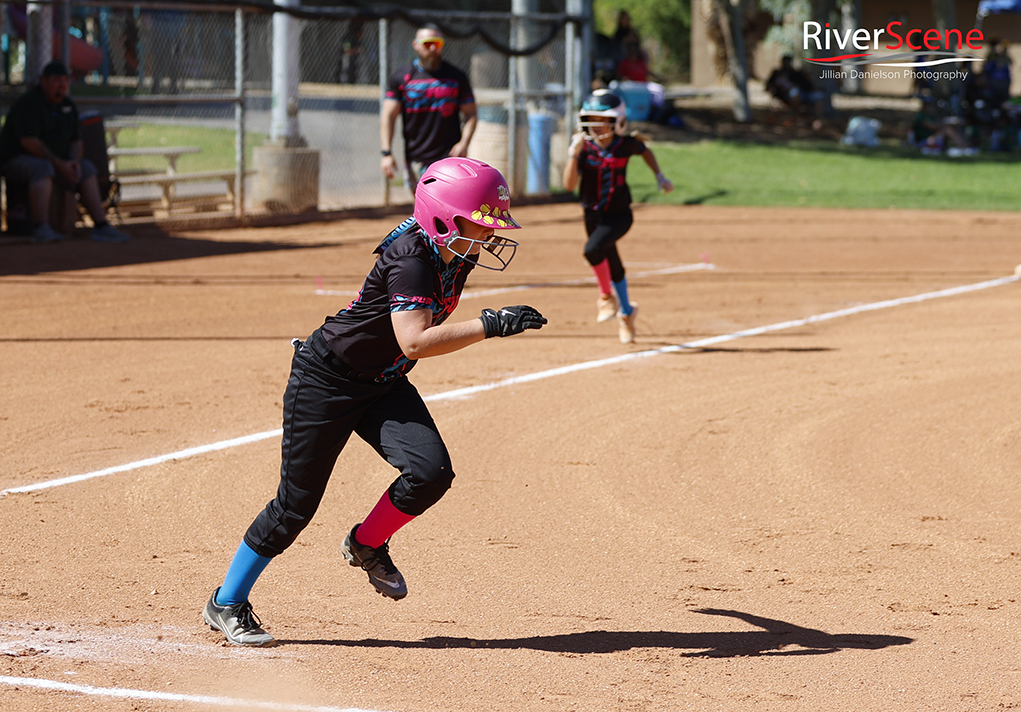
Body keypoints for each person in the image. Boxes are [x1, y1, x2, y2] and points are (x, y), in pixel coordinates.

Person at [202, 157, 547, 647]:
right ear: (444, 217)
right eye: (482, 223)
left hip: (382, 381)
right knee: (294, 506)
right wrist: (489, 325)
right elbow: (415, 342)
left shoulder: (455, 249)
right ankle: (227, 601)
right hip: (326, 380)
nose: (490, 236)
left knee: (430, 473)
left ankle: (366, 543)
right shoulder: (411, 258)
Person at [561, 90, 673, 345]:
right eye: (590, 119)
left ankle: (605, 298)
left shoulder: (624, 145)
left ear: (616, 121)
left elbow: (644, 150)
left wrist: (660, 177)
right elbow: (568, 185)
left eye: (599, 119)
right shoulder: (584, 148)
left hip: (620, 215)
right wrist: (573, 154)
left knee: (592, 250)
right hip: (593, 215)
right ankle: (626, 312)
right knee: (611, 261)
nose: (594, 125)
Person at [0, 61, 129, 243]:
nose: (62, 85)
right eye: (56, 81)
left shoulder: (67, 105)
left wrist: (73, 162)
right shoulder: (29, 104)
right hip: (16, 160)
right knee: (43, 168)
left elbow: (77, 141)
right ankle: (41, 227)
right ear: (44, 81)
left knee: (86, 168)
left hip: (59, 162)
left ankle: (101, 226)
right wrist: (60, 164)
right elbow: (29, 142)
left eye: (65, 81)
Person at [380, 24, 477, 193]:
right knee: (423, 209)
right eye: (427, 43)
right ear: (416, 44)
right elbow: (389, 116)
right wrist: (386, 153)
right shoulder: (402, 77)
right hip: (416, 159)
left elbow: (471, 113)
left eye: (437, 43)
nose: (432, 48)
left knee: (448, 205)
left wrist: (464, 143)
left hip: (450, 159)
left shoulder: (456, 77)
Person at [765, 55, 823, 121]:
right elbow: (768, 87)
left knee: (819, 96)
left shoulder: (796, 73)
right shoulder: (777, 74)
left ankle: (817, 120)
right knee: (795, 92)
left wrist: (806, 75)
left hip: (803, 93)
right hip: (787, 95)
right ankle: (798, 117)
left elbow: (809, 86)